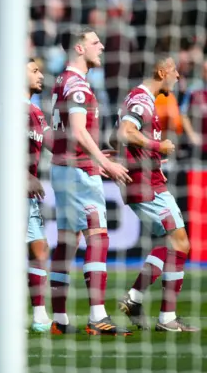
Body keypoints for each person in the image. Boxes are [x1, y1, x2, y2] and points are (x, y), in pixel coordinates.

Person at [49, 28, 132, 336]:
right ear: (79, 49)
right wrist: (105, 162)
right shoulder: (78, 85)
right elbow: (78, 131)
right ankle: (97, 316)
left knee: (68, 244)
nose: (101, 47)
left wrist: (101, 152)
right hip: (79, 172)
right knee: (97, 237)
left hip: (65, 168)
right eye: (95, 42)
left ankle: (60, 319)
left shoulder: (62, 80)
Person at [116, 56, 199, 332]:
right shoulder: (141, 99)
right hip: (145, 183)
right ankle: (165, 318)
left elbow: (118, 137)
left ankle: (136, 299)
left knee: (175, 243)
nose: (178, 76)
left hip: (147, 180)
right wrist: (157, 146)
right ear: (161, 71)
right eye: (174, 71)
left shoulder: (140, 99)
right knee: (181, 243)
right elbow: (126, 131)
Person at [0, 58, 53, 334]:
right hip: (8, 191)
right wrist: (25, 176)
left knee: (39, 250)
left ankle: (39, 316)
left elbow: (57, 146)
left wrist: (96, 160)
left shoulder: (36, 112)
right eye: (34, 70)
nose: (40, 75)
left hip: (26, 194)